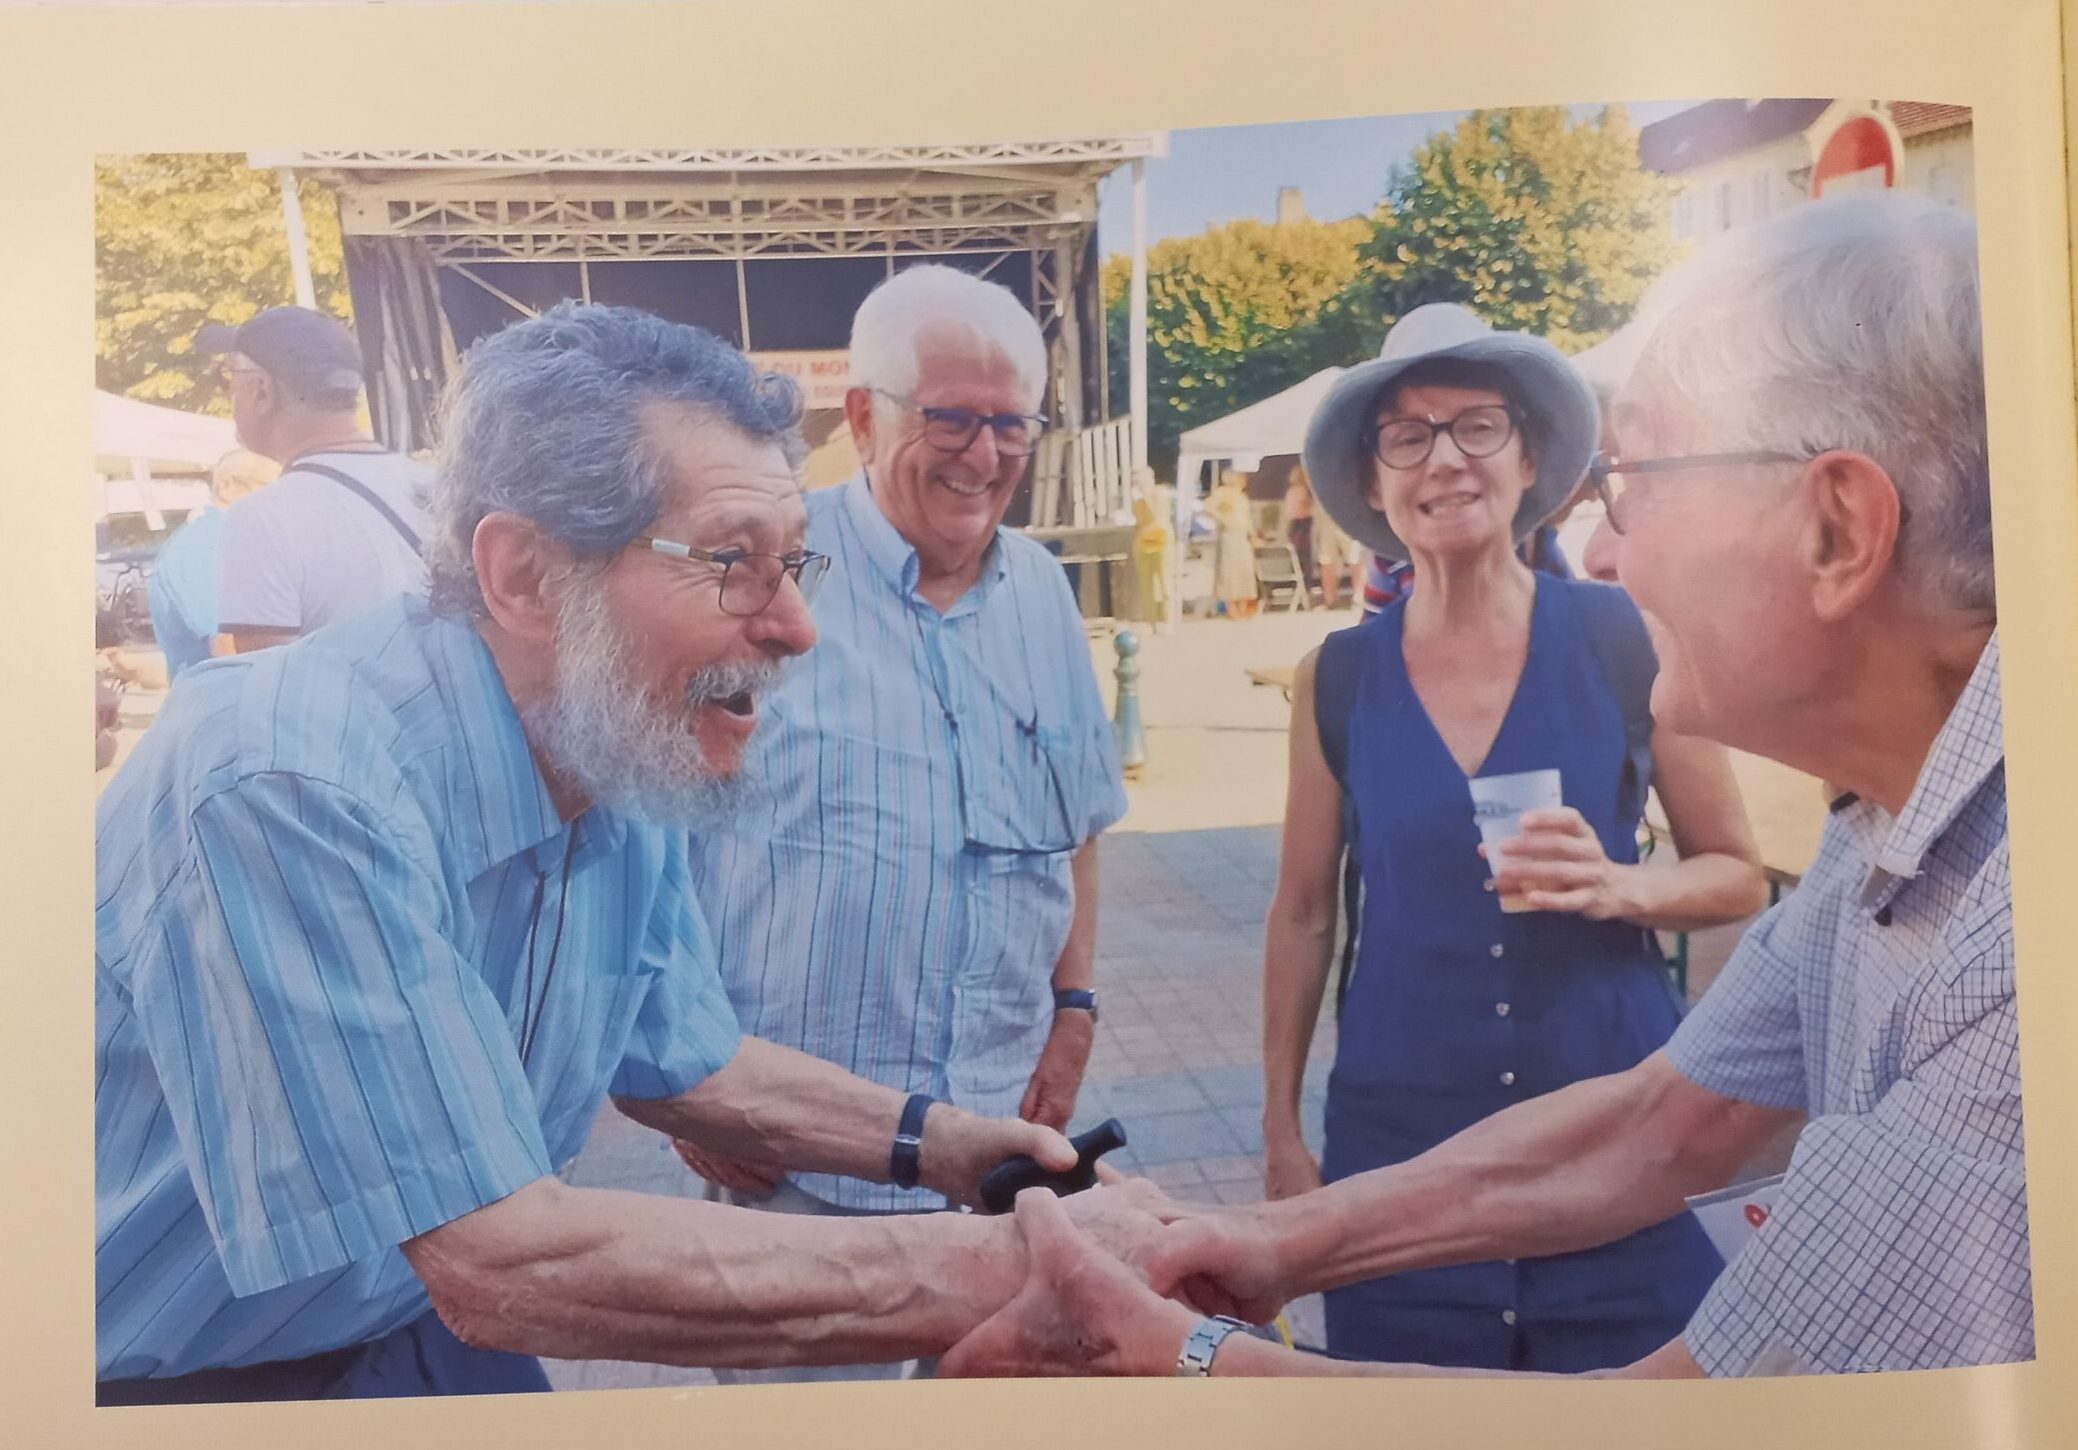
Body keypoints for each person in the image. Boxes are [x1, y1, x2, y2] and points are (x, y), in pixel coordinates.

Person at [941, 194, 2026, 1381]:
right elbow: (1655, 1123)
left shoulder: (2021, 942)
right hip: (1401, 1127)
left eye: (1632, 484)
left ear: (1837, 528)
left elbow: (1680, 1408)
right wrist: (1265, 1232)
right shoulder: (1880, 831)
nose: (1605, 549)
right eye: (1407, 437)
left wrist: (1190, 1361)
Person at [94, 301, 1165, 1404]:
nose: (798, 625)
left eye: (794, 564)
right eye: (732, 562)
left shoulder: (608, 736)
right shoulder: (289, 785)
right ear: (523, 576)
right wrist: (1027, 1265)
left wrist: (951, 1147)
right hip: (171, 1382)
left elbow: (690, 1058)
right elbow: (497, 1258)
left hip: (405, 1320)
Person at [1252, 301, 1763, 1373]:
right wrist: (1280, 1131)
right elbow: (1302, 914)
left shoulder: (1622, 636)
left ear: (1527, 457)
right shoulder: (1335, 676)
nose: (1442, 459)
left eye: (1475, 425)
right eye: (1406, 434)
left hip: (1615, 1143)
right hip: (1400, 1160)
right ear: (1376, 483)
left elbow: (1735, 874)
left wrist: (1623, 886)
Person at [675, 266, 1129, 1383]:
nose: (984, 454)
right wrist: (683, 1068)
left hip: (1000, 1162)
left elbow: (1077, 825)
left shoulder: (1041, 591)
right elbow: (642, 832)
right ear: (865, 417)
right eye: (952, 419)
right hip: (796, 1170)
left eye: (1009, 422)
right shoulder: (756, 573)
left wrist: (1072, 1010)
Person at [194, 306, 432, 653]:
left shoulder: (262, 520)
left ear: (261, 390)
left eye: (229, 378)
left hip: (348, 708)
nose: (229, 397)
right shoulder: (438, 486)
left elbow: (273, 689)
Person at [145, 448, 279, 680]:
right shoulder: (206, 544)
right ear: (226, 487)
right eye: (272, 487)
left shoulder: (228, 540)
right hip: (229, 703)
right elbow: (229, 642)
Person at [1307, 475, 1365, 609]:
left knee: (1355, 559)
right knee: (1327, 561)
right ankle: (1330, 599)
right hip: (1326, 518)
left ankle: (1358, 597)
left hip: (1349, 518)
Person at [1208, 470, 1260, 617]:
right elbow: (1209, 507)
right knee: (1229, 572)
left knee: (1244, 571)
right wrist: (1223, 519)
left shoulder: (1242, 497)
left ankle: (1243, 607)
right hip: (1229, 536)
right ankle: (1232, 609)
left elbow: (1248, 519)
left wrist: (1253, 535)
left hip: (1242, 537)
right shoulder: (1222, 493)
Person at [1130, 465, 1174, 626]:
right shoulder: (1138, 501)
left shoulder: (1160, 493)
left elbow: (1158, 517)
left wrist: (1146, 496)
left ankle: (1168, 620)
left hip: (1161, 541)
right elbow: (1138, 523)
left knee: (1164, 582)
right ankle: (1151, 622)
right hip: (1143, 543)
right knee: (1146, 585)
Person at [1281, 466, 1317, 591]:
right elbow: (1308, 505)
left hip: (1293, 525)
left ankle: (1296, 586)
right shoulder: (1305, 491)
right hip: (1303, 524)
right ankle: (1305, 585)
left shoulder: (1290, 491)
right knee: (1305, 556)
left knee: (1296, 556)